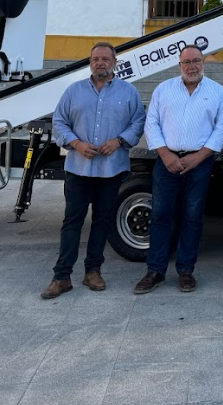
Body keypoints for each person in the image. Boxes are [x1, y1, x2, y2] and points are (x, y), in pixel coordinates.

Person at [42, 42, 146, 299]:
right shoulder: (73, 91)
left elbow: (139, 121)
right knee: (72, 222)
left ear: (114, 62)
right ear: (90, 62)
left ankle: (93, 272)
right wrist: (76, 143)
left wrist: (119, 141)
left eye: (105, 59)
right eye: (95, 59)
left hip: (111, 170)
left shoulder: (128, 92)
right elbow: (59, 121)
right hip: (78, 168)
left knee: (102, 221)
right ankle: (62, 276)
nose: (100, 63)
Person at [133, 44, 223, 295]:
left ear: (203, 63)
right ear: (179, 65)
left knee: (192, 216)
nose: (192, 66)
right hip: (167, 163)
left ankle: (186, 270)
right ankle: (154, 270)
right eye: (186, 62)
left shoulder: (217, 92)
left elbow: (222, 129)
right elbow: (151, 123)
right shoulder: (163, 90)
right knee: (161, 215)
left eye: (196, 61)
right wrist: (165, 154)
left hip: (199, 164)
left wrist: (199, 157)